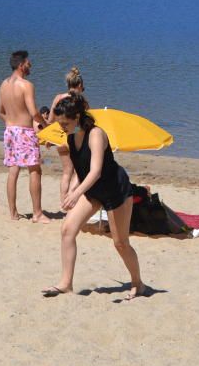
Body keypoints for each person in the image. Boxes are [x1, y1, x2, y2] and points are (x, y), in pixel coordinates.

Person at [42, 93, 146, 300]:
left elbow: (95, 170)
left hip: (116, 190)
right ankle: (66, 284)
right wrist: (73, 190)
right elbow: (81, 170)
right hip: (93, 191)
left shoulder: (96, 134)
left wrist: (76, 193)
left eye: (65, 122)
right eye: (59, 122)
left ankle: (138, 283)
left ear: (78, 116)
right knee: (67, 230)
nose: (61, 126)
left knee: (120, 243)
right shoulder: (71, 137)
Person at [0, 50, 50, 223]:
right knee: (35, 170)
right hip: (25, 132)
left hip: (10, 131)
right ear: (21, 65)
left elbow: (0, 112)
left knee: (13, 171)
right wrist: (46, 125)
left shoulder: (4, 84)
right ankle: (37, 213)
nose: (30, 65)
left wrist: (10, 123)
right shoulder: (26, 85)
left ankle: (13, 213)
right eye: (28, 63)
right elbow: (34, 112)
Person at [50, 66, 86, 202]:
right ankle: (72, 201)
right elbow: (85, 122)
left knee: (66, 172)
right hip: (75, 140)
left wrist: (49, 138)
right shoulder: (80, 101)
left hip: (60, 139)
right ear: (80, 85)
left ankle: (63, 201)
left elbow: (50, 121)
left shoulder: (58, 98)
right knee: (77, 173)